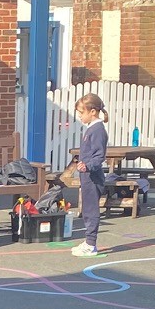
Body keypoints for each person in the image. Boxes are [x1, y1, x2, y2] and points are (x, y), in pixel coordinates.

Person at [70, 92, 109, 258]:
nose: (80, 116)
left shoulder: (98, 130)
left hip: (93, 176)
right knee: (86, 209)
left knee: (91, 210)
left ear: (93, 111)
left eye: (81, 113)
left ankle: (91, 244)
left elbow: (99, 156)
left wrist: (88, 166)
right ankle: (88, 241)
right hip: (87, 176)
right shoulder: (91, 129)